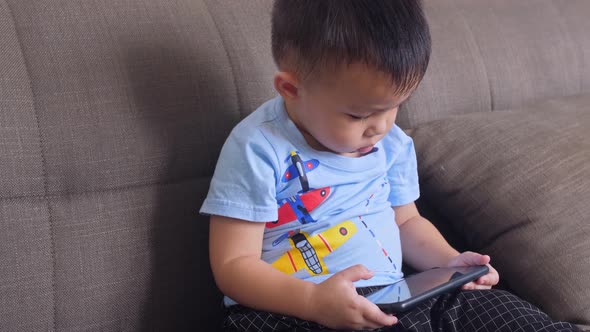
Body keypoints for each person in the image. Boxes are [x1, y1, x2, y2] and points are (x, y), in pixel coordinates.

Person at [200, 1, 581, 331]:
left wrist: (449, 262)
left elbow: (406, 223)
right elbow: (234, 265)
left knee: (505, 313)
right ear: (292, 89)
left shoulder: (392, 143)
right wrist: (313, 302)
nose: (380, 126)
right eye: (358, 114)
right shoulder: (258, 147)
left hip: (396, 297)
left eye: (394, 106)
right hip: (292, 310)